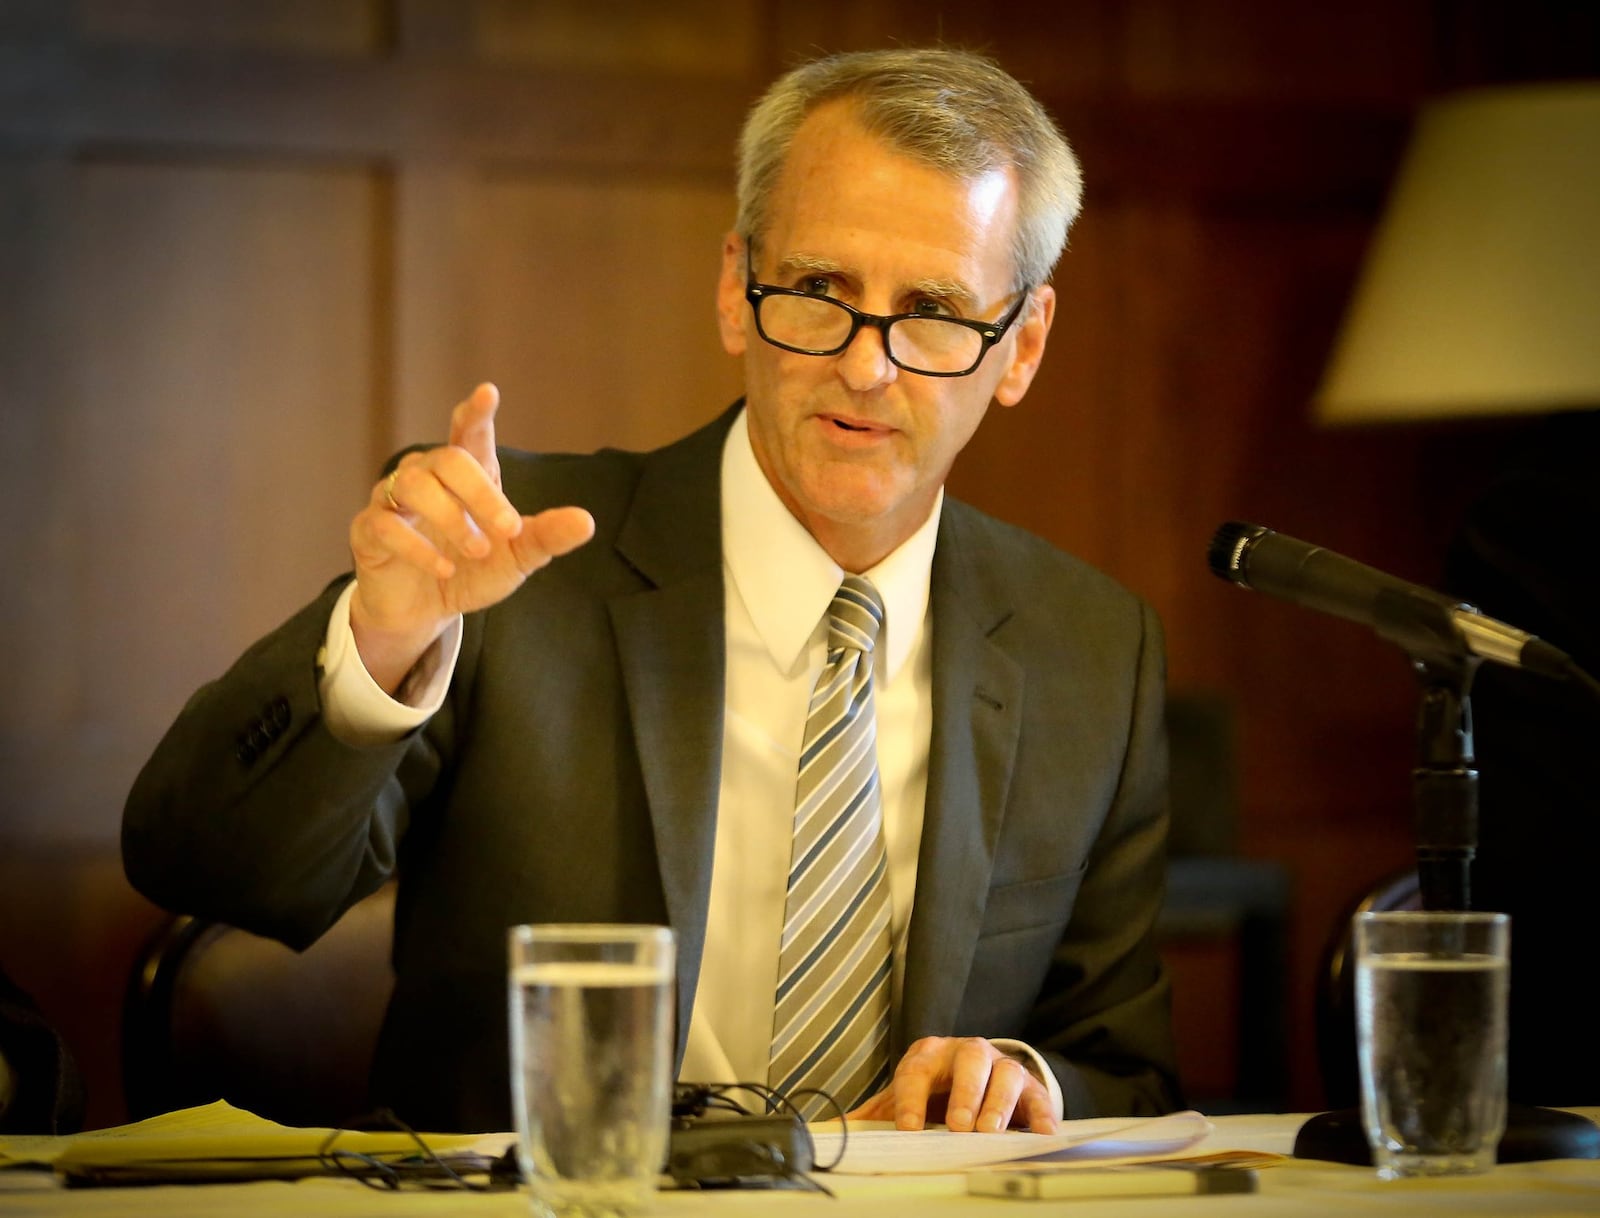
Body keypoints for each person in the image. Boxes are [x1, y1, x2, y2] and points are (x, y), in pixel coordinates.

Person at [123, 46, 1182, 1135]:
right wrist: (382, 643)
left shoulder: (1090, 650)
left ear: (1022, 346)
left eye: (934, 311)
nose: (869, 366)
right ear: (735, 290)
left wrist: (1027, 1082)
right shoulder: (512, 560)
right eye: (819, 291)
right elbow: (202, 864)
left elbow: (1126, 1073)